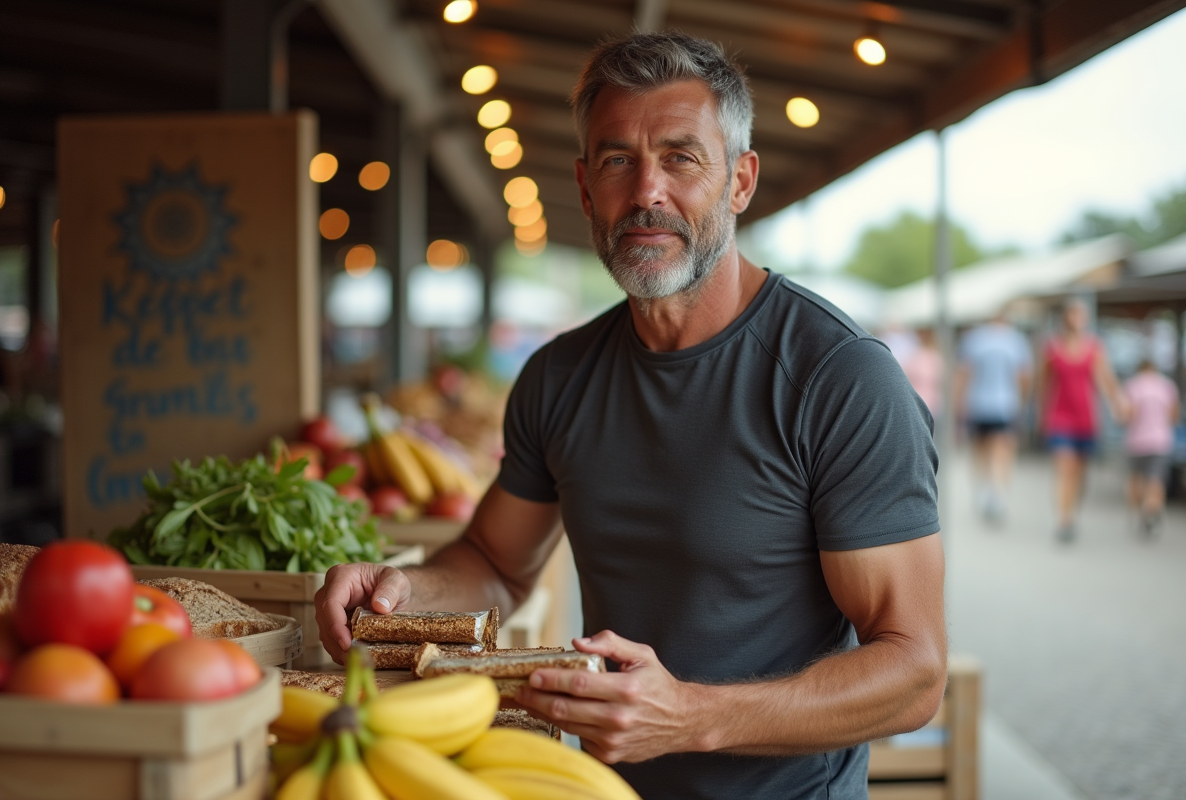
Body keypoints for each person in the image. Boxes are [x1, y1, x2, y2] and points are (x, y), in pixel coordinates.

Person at [316, 32, 946, 800]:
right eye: (618, 160)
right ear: (585, 189)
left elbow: (915, 675)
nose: (647, 190)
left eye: (682, 157)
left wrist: (688, 716)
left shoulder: (838, 377)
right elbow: (494, 562)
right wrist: (403, 594)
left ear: (740, 181)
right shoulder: (560, 375)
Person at [1039, 299, 1124, 543]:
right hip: (1060, 418)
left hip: (1086, 419)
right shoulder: (1052, 348)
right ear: (1065, 317)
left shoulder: (1094, 347)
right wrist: (1041, 416)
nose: (1077, 319)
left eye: (1081, 314)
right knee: (1065, 468)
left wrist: (1118, 404)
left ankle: (1073, 512)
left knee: (1081, 473)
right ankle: (1064, 520)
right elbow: (1044, 384)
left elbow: (1107, 380)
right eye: (1073, 314)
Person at [954, 313, 1032, 523]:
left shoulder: (974, 339)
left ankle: (983, 491)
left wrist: (959, 404)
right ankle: (997, 493)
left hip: (979, 403)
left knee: (980, 449)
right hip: (1005, 404)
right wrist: (1023, 403)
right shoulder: (1016, 340)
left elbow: (964, 374)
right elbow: (1023, 376)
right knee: (1002, 450)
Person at [1122, 358, 1179, 537]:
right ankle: (1152, 508)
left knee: (1136, 478)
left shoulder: (1133, 385)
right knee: (1156, 479)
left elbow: (1128, 414)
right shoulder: (1167, 386)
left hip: (1136, 441)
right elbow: (1174, 415)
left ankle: (1137, 513)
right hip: (1161, 441)